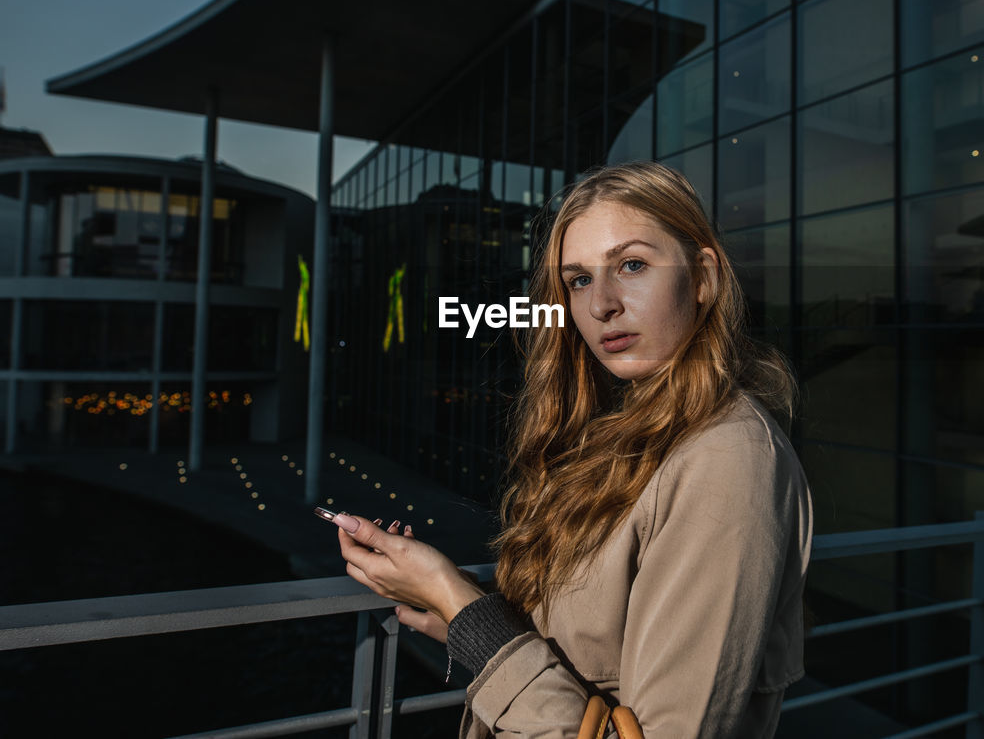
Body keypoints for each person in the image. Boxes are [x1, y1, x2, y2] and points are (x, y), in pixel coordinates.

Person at [331, 161, 814, 738]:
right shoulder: (632, 432)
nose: (601, 304)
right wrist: (474, 620)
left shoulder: (726, 456)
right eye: (579, 279)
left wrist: (459, 602)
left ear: (704, 277)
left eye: (632, 265)